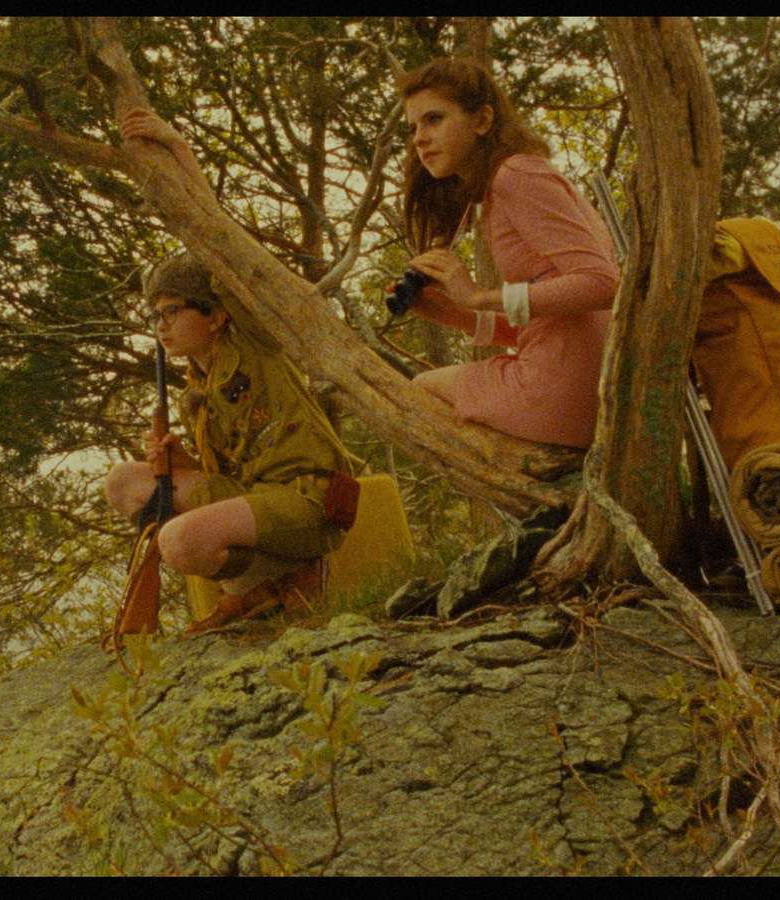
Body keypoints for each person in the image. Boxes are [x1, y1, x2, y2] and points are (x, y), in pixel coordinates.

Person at [105, 111, 365, 635]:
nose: (161, 325)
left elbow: (215, 237)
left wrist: (177, 147)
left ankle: (294, 576)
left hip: (308, 499)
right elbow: (228, 471)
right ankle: (264, 588)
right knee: (124, 484)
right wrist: (178, 460)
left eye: (173, 310)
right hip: (255, 496)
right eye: (154, 315)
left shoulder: (254, 341)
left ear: (216, 314)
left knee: (178, 543)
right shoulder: (194, 392)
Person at [393, 59, 620, 450]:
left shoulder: (516, 176)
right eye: (413, 127)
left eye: (434, 119)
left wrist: (479, 297)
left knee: (419, 390)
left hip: (561, 389)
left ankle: (531, 500)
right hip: (591, 393)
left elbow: (603, 285)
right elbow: (555, 318)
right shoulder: (513, 181)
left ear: (482, 120)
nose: (419, 138)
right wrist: (460, 316)